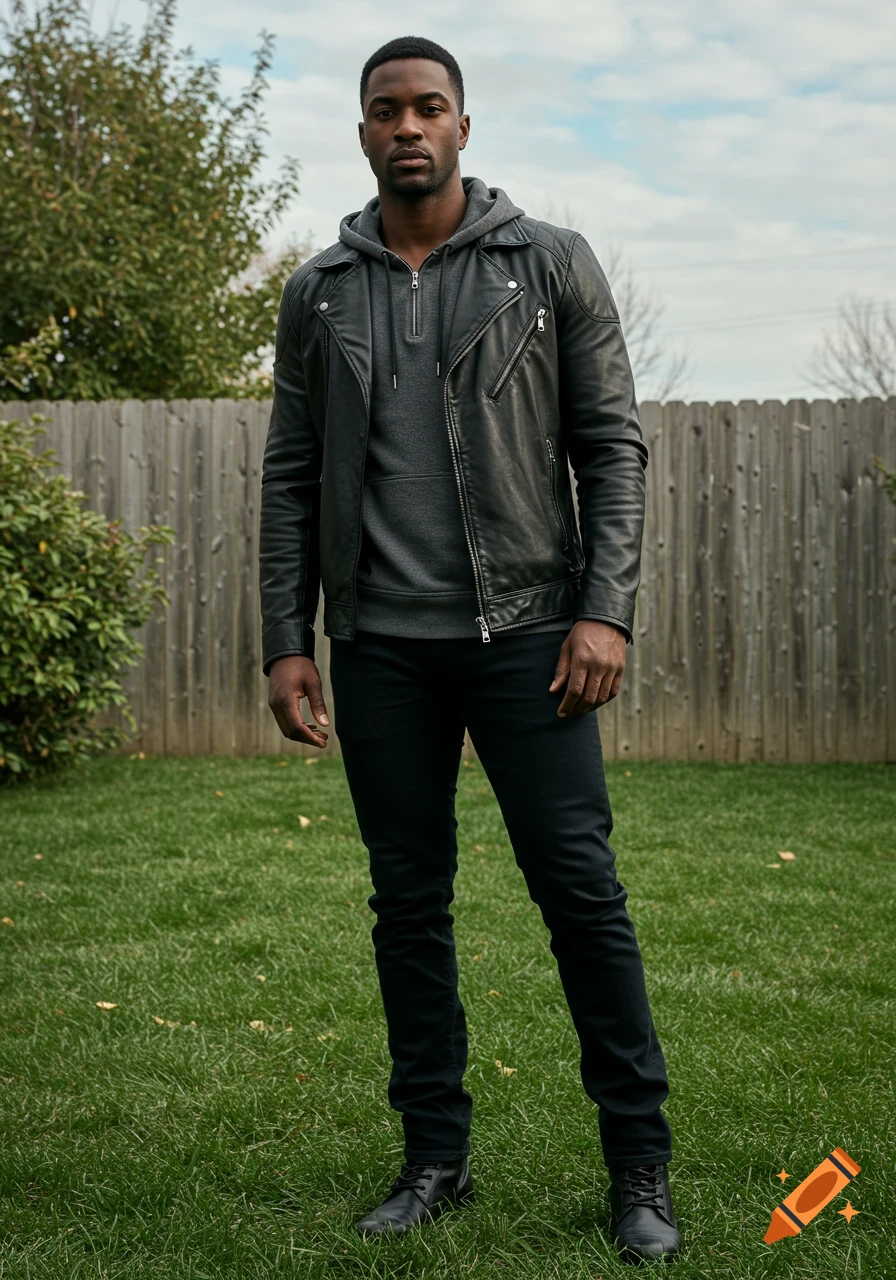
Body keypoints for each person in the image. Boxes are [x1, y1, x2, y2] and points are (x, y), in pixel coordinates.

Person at [259, 34, 680, 1263]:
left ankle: (636, 1164)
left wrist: (603, 608)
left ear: (461, 125)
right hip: (378, 644)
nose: (407, 126)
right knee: (408, 905)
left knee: (580, 895)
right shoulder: (318, 289)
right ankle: (432, 1155)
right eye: (385, 109)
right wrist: (288, 639)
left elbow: (611, 447)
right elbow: (292, 476)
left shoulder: (544, 265)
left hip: (530, 637)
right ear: (360, 132)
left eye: (428, 107)